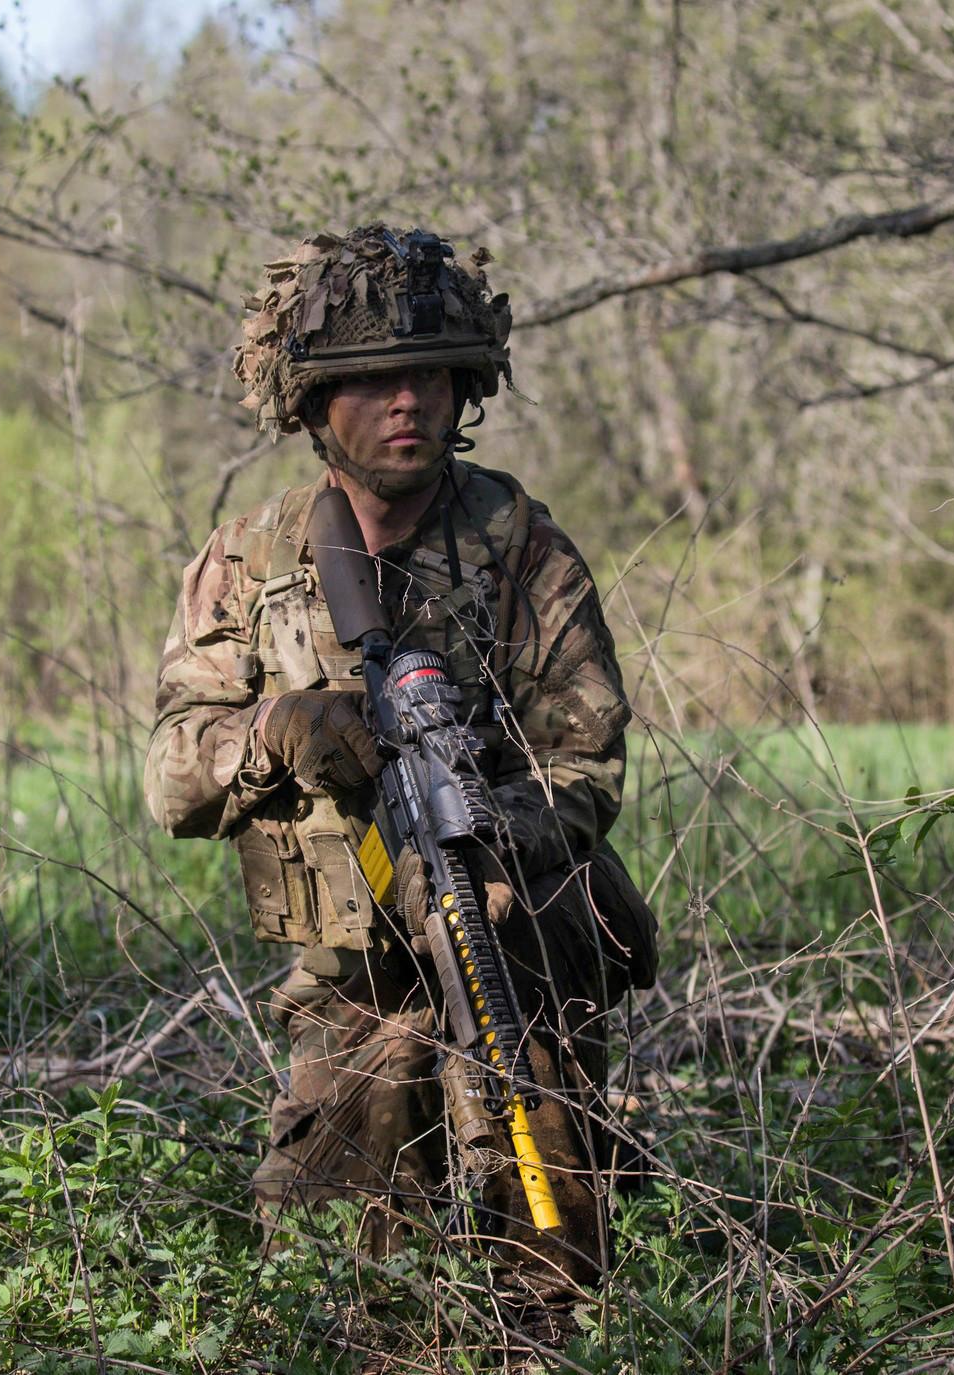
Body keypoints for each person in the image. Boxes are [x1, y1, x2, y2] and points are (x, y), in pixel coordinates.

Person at [142, 224, 657, 1348]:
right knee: (338, 1292)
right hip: (350, 987)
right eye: (372, 381)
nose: (406, 403)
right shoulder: (251, 562)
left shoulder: (523, 551)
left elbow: (588, 760)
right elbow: (172, 779)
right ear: (315, 401)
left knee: (548, 1254)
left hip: (510, 959)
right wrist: (278, 729)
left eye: (428, 375)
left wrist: (492, 843)